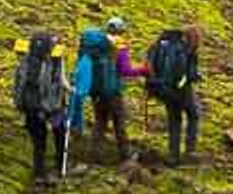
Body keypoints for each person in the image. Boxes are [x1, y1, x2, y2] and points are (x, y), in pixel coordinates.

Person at [72, 18, 133, 168]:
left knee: (100, 122)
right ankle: (126, 155)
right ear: (120, 30)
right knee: (119, 121)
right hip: (113, 90)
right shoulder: (118, 45)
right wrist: (144, 69)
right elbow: (126, 69)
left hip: (96, 90)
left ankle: (94, 154)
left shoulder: (94, 46)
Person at [12, 30, 70, 186]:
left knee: (39, 141)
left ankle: (39, 172)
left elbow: (17, 83)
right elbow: (52, 86)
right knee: (60, 133)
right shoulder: (50, 63)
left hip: (29, 107)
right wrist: (56, 105)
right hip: (47, 107)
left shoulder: (25, 61)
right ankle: (59, 166)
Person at [144, 21, 203, 162]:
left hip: (163, 89)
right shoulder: (185, 50)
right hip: (180, 90)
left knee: (174, 120)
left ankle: (173, 154)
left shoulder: (163, 44)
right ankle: (189, 150)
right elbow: (184, 75)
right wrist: (190, 79)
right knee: (193, 115)